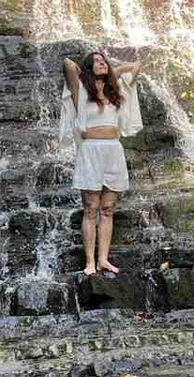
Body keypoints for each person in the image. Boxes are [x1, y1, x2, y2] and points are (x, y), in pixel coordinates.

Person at [59, 49, 143, 275]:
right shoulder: (80, 90)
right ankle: (89, 262)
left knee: (107, 209)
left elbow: (136, 66)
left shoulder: (116, 91)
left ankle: (103, 259)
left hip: (113, 150)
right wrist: (90, 71)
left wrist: (116, 71)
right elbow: (67, 64)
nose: (102, 63)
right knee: (90, 209)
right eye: (96, 61)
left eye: (103, 60)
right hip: (91, 150)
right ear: (88, 67)